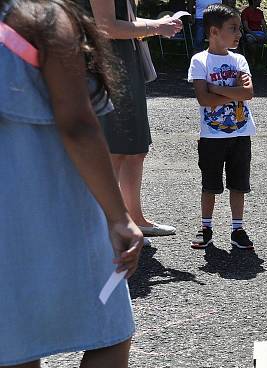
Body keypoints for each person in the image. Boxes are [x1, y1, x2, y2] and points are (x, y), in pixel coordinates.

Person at [0, 0, 162, 368]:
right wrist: (120, 216)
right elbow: (77, 123)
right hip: (55, 200)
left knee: (11, 346)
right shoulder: (42, 19)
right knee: (111, 332)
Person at [89, 0, 182, 243]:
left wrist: (161, 26)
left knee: (135, 148)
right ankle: (111, 226)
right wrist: (156, 26)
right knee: (116, 149)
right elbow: (106, 26)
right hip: (108, 67)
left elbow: (126, 21)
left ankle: (135, 219)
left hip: (124, 65)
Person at [188, 3, 256, 251]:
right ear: (214, 31)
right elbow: (203, 99)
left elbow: (248, 93)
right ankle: (206, 226)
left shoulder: (239, 59)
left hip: (241, 133)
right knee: (210, 184)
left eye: (239, 28)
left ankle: (237, 229)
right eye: (233, 28)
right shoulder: (200, 60)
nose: (239, 33)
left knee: (239, 184)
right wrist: (231, 92)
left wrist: (215, 88)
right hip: (211, 136)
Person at [241, 0, 267, 67]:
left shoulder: (260, 12)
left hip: (260, 32)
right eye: (258, 0)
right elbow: (246, 28)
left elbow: (264, 26)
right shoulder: (245, 12)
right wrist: (255, 35)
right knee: (250, 41)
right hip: (250, 33)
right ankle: (253, 59)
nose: (260, 2)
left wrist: (266, 34)